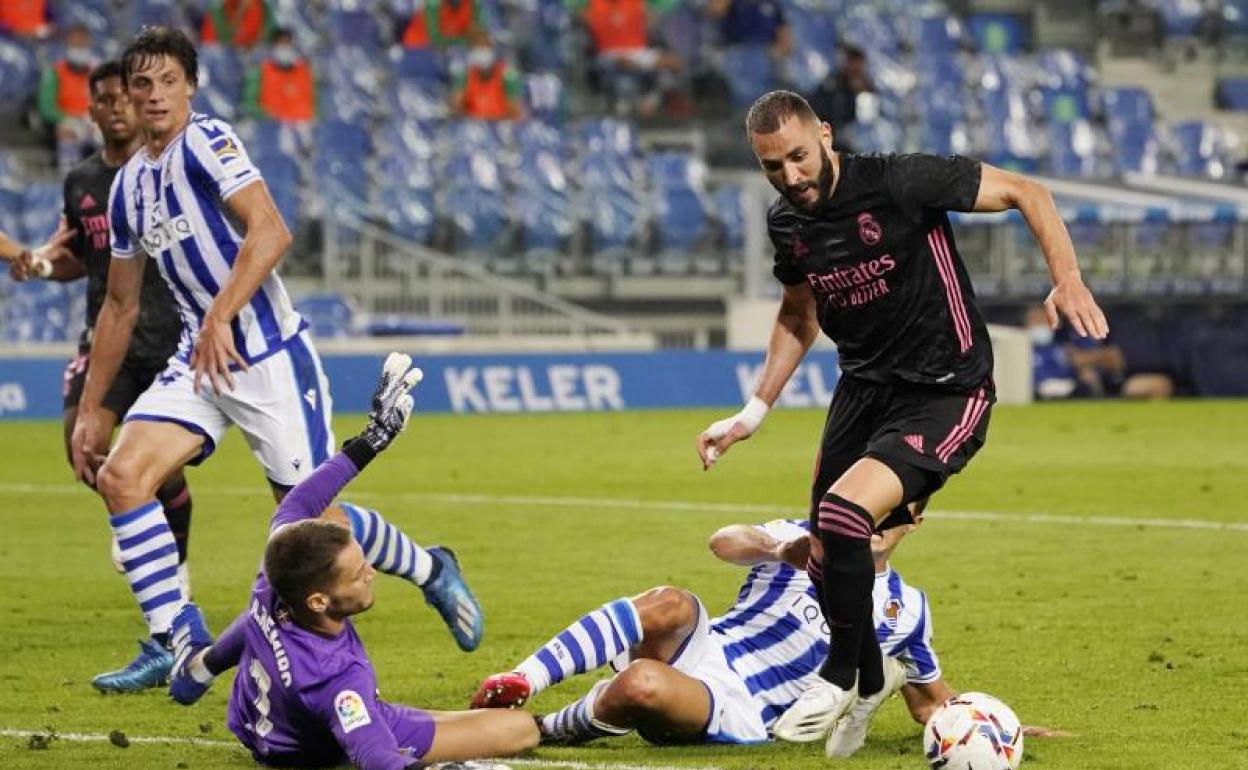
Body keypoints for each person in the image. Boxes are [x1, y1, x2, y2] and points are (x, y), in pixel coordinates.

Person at [695, 90, 1108, 749]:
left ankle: (841, 679)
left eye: (799, 157)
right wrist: (753, 412)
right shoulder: (790, 226)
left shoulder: (900, 180)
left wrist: (1067, 278)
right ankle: (870, 679)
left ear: (826, 136)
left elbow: (1029, 192)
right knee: (827, 558)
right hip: (863, 392)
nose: (791, 176)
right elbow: (798, 318)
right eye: (774, 166)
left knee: (842, 515)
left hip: (947, 388)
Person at [74, 27, 482, 693]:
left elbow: (271, 229)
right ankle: (172, 636)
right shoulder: (128, 189)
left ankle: (430, 568)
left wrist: (219, 313)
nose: (153, 96)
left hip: (264, 353)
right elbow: (119, 306)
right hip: (200, 360)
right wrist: (94, 407)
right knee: (122, 477)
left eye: (168, 82)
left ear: (191, 87)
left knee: (312, 528)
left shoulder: (206, 142)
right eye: (142, 84)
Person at [166, 354, 538, 769]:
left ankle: (196, 669)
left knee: (261, 624)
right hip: (312, 750)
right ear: (320, 601)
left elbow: (302, 500)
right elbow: (378, 760)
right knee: (519, 729)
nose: (372, 572)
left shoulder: (281, 572)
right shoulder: (339, 678)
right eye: (358, 575)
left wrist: (372, 440)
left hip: (259, 725)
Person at [472, 520, 1048, 755]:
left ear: (914, 520)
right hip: (706, 643)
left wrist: (994, 727)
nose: (882, 519)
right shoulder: (804, 536)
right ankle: (525, 677)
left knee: (640, 685)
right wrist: (776, 550)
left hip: (739, 705)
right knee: (671, 601)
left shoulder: (909, 610)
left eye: (900, 510)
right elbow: (722, 542)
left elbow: (931, 704)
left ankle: (542, 728)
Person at [14, 59, 197, 597]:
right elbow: (80, 256)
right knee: (81, 437)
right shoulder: (83, 181)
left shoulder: (163, 170)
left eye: (124, 96)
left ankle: (173, 559)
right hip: (109, 335)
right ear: (92, 110)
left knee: (161, 470)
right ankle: (135, 509)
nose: (117, 107)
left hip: (169, 336)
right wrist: (44, 266)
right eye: (105, 100)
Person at [39, 25, 97, 171]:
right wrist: (68, 118)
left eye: (82, 44)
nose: (79, 47)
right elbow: (46, 108)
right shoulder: (55, 72)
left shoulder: (97, 72)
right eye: (75, 44)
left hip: (92, 121)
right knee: (67, 129)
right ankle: (68, 172)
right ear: (68, 45)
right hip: (66, 120)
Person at [243, 28, 316, 124]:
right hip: (270, 124)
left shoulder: (305, 71)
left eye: (287, 42)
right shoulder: (261, 70)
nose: (284, 46)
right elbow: (250, 100)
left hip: (301, 124)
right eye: (281, 42)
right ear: (274, 45)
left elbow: (315, 101)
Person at [451, 30, 524, 121]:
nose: (481, 51)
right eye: (476, 48)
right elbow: (456, 106)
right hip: (475, 125)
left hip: (501, 123)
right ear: (470, 52)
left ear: (491, 48)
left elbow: (515, 109)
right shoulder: (464, 75)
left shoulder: (507, 74)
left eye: (484, 46)